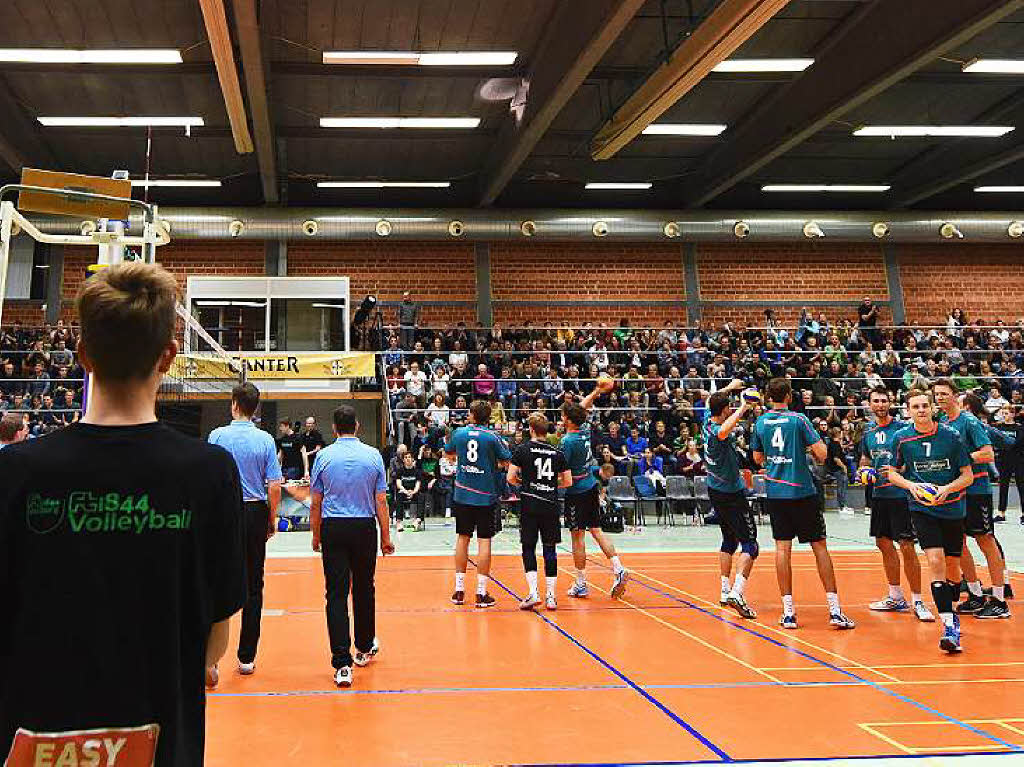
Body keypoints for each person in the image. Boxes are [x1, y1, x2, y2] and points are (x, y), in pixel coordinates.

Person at [0, 262, 245, 765]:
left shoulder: (15, 473)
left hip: (31, 733)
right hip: (158, 736)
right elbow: (216, 634)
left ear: (83, 355)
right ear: (170, 356)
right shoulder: (208, 473)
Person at [751, 377, 855, 630]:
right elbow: (822, 455)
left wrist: (777, 462)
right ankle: (834, 610)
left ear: (768, 397)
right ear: (788, 396)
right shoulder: (799, 419)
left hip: (776, 493)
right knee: (819, 547)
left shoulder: (761, 421)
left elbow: (757, 458)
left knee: (782, 549)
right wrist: (804, 450)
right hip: (802, 491)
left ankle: (788, 612)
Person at [310, 405, 394, 687]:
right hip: (363, 527)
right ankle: (364, 646)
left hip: (334, 526)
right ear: (357, 426)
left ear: (334, 428)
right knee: (364, 588)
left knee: (335, 594)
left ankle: (341, 664)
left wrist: (315, 534)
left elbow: (317, 502)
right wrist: (386, 536)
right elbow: (380, 500)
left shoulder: (322, 456)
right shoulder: (373, 455)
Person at [886, 389, 975, 653]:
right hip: (922, 509)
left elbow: (968, 476)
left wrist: (946, 489)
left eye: (925, 405)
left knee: (952, 568)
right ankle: (949, 627)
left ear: (933, 408)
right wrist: (911, 486)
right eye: (916, 406)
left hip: (952, 508)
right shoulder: (901, 438)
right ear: (908, 410)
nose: (921, 410)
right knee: (935, 561)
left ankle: (953, 604)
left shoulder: (952, 436)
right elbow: (892, 472)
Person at [208, 383, 284, 676]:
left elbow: (208, 478)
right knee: (254, 584)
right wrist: (271, 517)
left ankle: (211, 659)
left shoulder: (217, 436)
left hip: (224, 510)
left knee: (215, 580)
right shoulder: (265, 439)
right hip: (254, 509)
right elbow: (274, 485)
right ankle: (246, 657)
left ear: (234, 404)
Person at [931, 379, 1009, 619]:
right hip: (955, 491)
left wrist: (963, 459)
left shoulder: (970, 421)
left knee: (985, 540)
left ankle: (999, 599)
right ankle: (975, 595)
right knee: (959, 543)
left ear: (955, 396)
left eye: (945, 393)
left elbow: (987, 453)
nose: (940, 398)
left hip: (976, 489)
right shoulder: (941, 423)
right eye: (937, 394)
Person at [859, 387, 933, 621]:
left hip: (901, 496)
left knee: (907, 545)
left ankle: (919, 601)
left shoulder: (902, 429)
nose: (880, 405)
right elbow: (865, 459)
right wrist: (863, 471)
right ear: (869, 404)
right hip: (879, 496)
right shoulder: (868, 431)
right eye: (876, 401)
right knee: (883, 543)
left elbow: (913, 458)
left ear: (890, 402)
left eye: (884, 400)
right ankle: (895, 595)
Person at [561, 378, 630, 599]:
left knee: (577, 537)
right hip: (591, 486)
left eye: (563, 416)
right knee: (597, 531)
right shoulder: (584, 430)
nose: (561, 418)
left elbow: (564, 474)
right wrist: (596, 391)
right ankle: (618, 568)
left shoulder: (567, 441)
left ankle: (581, 583)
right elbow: (582, 409)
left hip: (576, 491)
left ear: (568, 420)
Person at [444, 399, 512, 608]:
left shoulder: (460, 433)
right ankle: (481, 593)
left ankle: (459, 590)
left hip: (463, 494)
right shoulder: (492, 437)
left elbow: (448, 453)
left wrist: (463, 460)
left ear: (473, 415)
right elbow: (506, 459)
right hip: (485, 495)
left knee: (462, 538)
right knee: (484, 541)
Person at [703, 384, 759, 619]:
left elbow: (710, 402)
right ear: (725, 410)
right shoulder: (717, 431)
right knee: (750, 545)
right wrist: (745, 406)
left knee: (728, 540)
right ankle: (737, 591)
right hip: (731, 493)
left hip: (715, 490)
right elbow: (725, 431)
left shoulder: (707, 418)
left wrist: (730, 388)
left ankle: (725, 590)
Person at [507, 413, 571, 610]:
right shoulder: (557, 452)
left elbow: (510, 477)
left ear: (532, 430)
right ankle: (551, 596)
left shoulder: (522, 449)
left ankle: (533, 593)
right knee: (550, 548)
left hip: (530, 503)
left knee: (528, 547)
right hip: (550, 504)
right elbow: (568, 482)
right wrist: (551, 484)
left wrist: (524, 483)